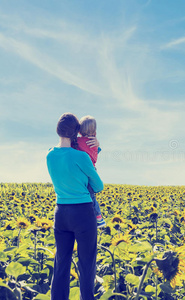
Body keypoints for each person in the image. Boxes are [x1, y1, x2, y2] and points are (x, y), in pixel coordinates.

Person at [47, 112, 103, 300]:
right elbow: (98, 186)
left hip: (61, 213)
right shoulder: (81, 157)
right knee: (86, 265)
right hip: (83, 214)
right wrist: (97, 146)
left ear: (58, 130)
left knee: (61, 263)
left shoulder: (49, 156)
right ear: (76, 133)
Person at [75, 115, 106, 228]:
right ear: (95, 131)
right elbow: (97, 151)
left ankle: (98, 217)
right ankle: (98, 217)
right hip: (93, 170)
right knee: (91, 195)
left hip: (84, 171)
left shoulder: (77, 141)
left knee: (88, 194)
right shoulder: (94, 142)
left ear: (79, 131)